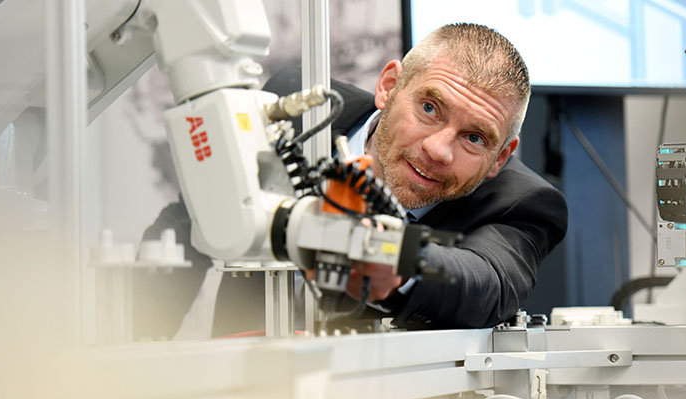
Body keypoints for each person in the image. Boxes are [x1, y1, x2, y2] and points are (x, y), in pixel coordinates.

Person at [135, 23, 567, 336]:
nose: (438, 149)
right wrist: (136, 341)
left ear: (500, 158)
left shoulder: (524, 202)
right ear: (389, 85)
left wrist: (397, 265)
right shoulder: (297, 106)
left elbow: (485, 280)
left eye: (474, 137)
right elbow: (197, 217)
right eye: (430, 108)